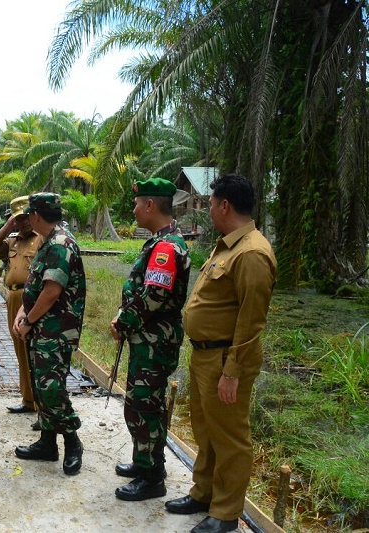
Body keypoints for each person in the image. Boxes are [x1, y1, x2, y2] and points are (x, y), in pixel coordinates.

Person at [165, 174, 277, 533]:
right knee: (206, 429)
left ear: (224, 205)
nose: (209, 209)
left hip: (225, 360)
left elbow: (251, 320)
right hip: (204, 356)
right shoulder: (228, 245)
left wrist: (232, 371)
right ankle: (204, 493)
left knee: (230, 437)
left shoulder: (253, 253)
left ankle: (226, 514)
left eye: (211, 204)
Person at [109, 178, 191, 501]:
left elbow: (153, 296)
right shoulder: (160, 242)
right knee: (145, 404)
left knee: (142, 408)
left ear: (150, 206)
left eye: (136, 203)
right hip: (149, 341)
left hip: (155, 343)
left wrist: (123, 322)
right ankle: (145, 461)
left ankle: (151, 476)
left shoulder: (167, 248)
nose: (133, 209)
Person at [12, 192, 86, 476]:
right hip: (42, 329)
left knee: (51, 388)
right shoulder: (48, 242)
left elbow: (52, 291)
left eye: (30, 214)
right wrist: (23, 313)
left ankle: (72, 442)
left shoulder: (60, 244)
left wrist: (28, 319)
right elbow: (35, 286)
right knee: (41, 385)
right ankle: (47, 442)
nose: (28, 219)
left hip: (55, 331)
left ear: (37, 216)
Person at [0, 195, 43, 417]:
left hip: (33, 298)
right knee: (20, 350)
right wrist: (7, 227)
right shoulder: (13, 240)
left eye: (26, 218)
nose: (23, 222)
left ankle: (41, 403)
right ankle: (28, 400)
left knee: (35, 350)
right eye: (18, 219)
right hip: (14, 297)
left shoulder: (42, 240)